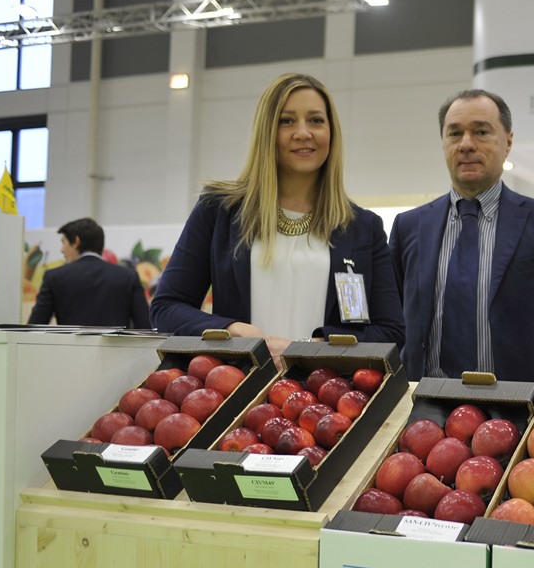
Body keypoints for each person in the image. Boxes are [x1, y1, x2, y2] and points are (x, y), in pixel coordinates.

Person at [151, 72, 405, 359]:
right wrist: (233, 331)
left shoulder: (362, 227)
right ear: (267, 131)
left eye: (316, 120)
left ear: (331, 132)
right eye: (287, 121)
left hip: (325, 386)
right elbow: (166, 308)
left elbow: (391, 332)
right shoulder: (219, 210)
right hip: (237, 382)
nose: (303, 132)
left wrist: (311, 349)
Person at [390, 89, 534, 382]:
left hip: (516, 403)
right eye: (454, 133)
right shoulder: (409, 227)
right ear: (443, 142)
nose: (466, 144)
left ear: (508, 142)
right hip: (426, 401)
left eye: (481, 132)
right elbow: (393, 322)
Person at [28, 218, 151, 328]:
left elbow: (35, 326)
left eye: (63, 242)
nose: (62, 250)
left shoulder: (54, 277)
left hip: (69, 347)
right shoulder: (128, 277)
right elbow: (144, 326)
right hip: (116, 347)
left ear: (76, 241)